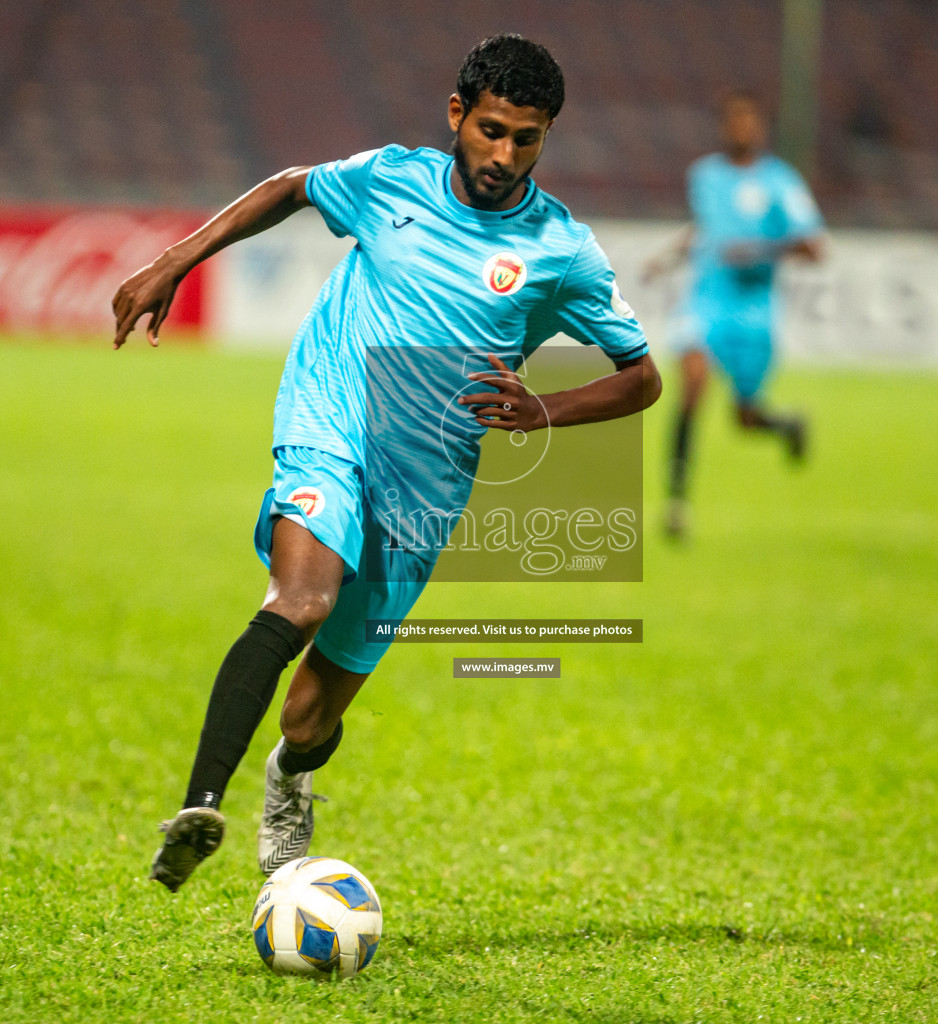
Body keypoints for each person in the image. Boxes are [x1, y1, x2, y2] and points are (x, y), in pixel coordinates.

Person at [111, 34, 661, 892]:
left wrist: (541, 409)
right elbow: (292, 187)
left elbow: (642, 379)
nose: (504, 154)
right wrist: (173, 260)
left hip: (427, 483)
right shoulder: (392, 181)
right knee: (300, 600)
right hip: (329, 417)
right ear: (457, 115)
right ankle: (199, 809)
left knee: (308, 717)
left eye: (527, 138)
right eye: (491, 130)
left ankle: (290, 781)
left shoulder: (562, 250)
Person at [644, 90, 825, 540]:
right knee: (693, 383)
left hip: (754, 312)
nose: (742, 129)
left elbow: (814, 246)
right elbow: (706, 228)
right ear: (725, 127)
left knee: (745, 419)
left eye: (750, 121)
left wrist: (761, 250)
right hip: (706, 302)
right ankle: (676, 505)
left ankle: (786, 426)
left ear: (760, 129)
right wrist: (666, 258)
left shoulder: (781, 182)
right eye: (734, 121)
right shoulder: (703, 176)